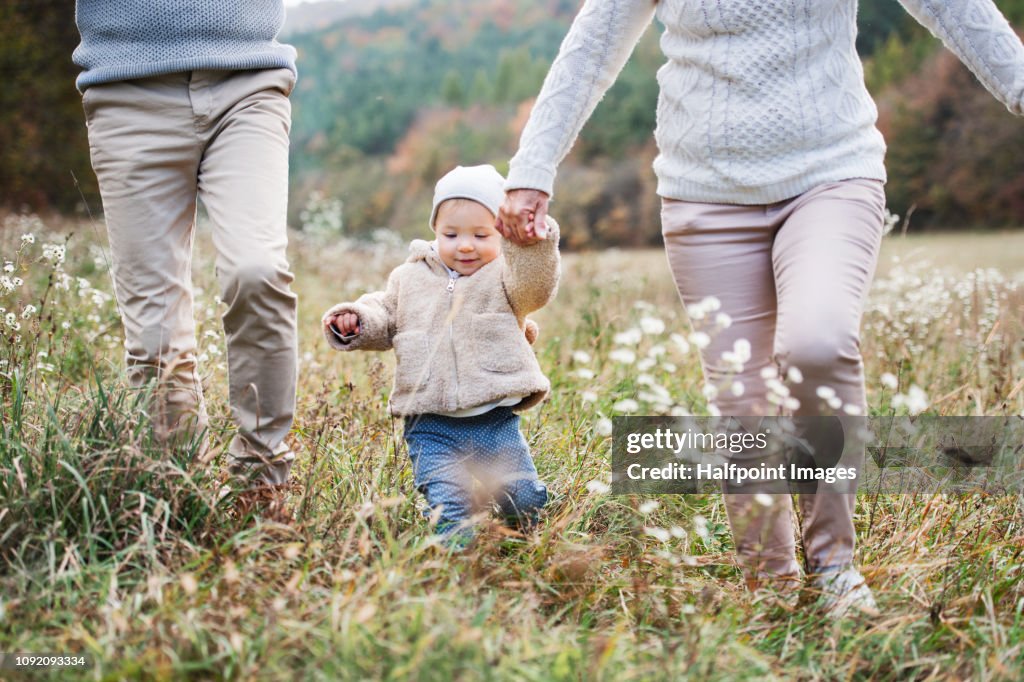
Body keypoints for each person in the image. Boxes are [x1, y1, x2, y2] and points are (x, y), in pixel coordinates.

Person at [497, 0, 1024, 616]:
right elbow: (592, 46)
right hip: (705, 196)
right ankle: (769, 586)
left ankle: (834, 566)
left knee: (817, 344)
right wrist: (533, 168)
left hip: (831, 173)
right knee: (743, 403)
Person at [73, 1, 300, 503]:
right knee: (154, 334)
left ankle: (261, 484)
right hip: (125, 90)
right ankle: (175, 487)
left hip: (248, 80)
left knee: (257, 270)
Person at [321, 165, 557, 547]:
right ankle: (453, 570)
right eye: (451, 234)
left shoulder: (503, 278)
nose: (465, 245)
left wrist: (535, 245)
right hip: (430, 424)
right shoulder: (410, 277)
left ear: (501, 232)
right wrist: (357, 320)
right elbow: (385, 313)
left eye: (481, 235)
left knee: (522, 498)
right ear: (435, 231)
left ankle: (519, 533)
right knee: (450, 509)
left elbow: (536, 288)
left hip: (493, 421)